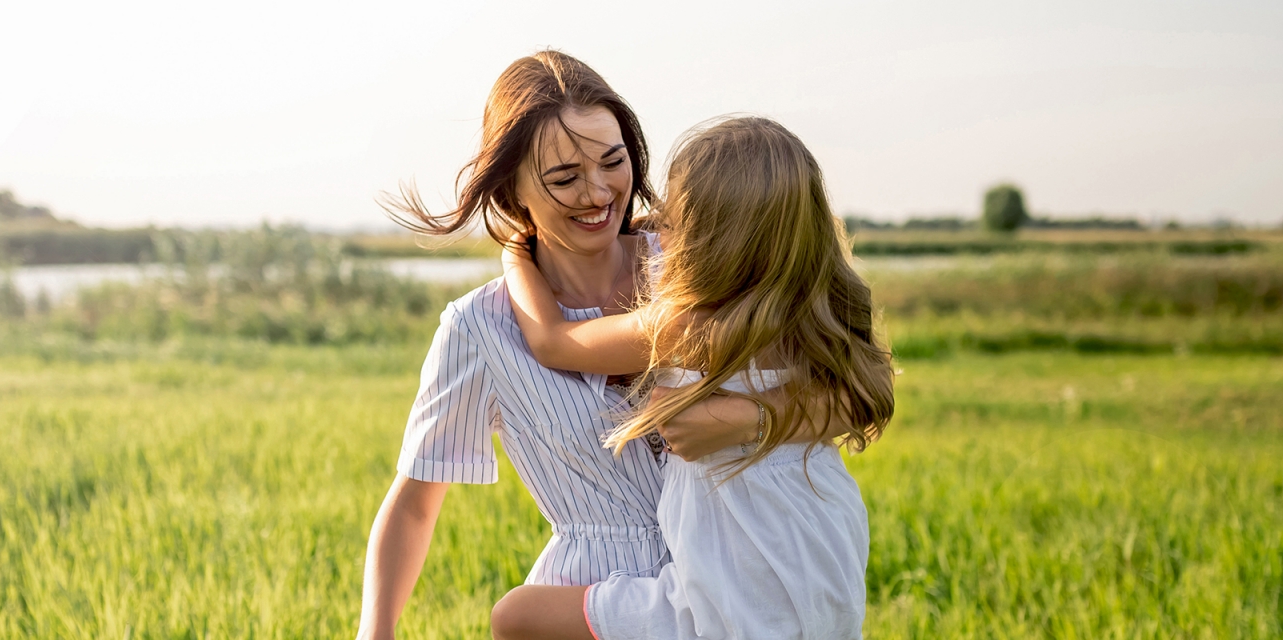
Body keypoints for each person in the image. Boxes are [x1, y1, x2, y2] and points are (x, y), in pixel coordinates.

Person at [354, 51, 774, 639]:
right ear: (513, 188)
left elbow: (827, 383)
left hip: (735, 583)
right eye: (564, 178)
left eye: (613, 161)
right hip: (584, 604)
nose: (598, 192)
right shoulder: (479, 328)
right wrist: (375, 633)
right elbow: (416, 501)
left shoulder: (694, 271)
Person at [489, 117, 896, 639]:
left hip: (730, 595)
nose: (656, 226)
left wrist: (515, 253)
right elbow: (867, 394)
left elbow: (552, 341)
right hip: (822, 555)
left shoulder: (687, 326)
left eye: (674, 219)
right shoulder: (811, 311)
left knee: (516, 617)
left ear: (711, 240)